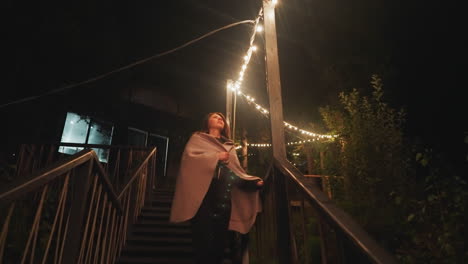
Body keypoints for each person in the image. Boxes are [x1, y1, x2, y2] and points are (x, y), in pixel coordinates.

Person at [170, 112, 263, 264]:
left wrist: (253, 183)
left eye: (221, 118)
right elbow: (189, 160)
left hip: (223, 198)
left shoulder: (229, 146)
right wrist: (215, 157)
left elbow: (236, 173)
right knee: (202, 238)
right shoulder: (197, 139)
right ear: (207, 122)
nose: (219, 119)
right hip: (201, 197)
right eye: (215, 117)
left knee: (220, 239)